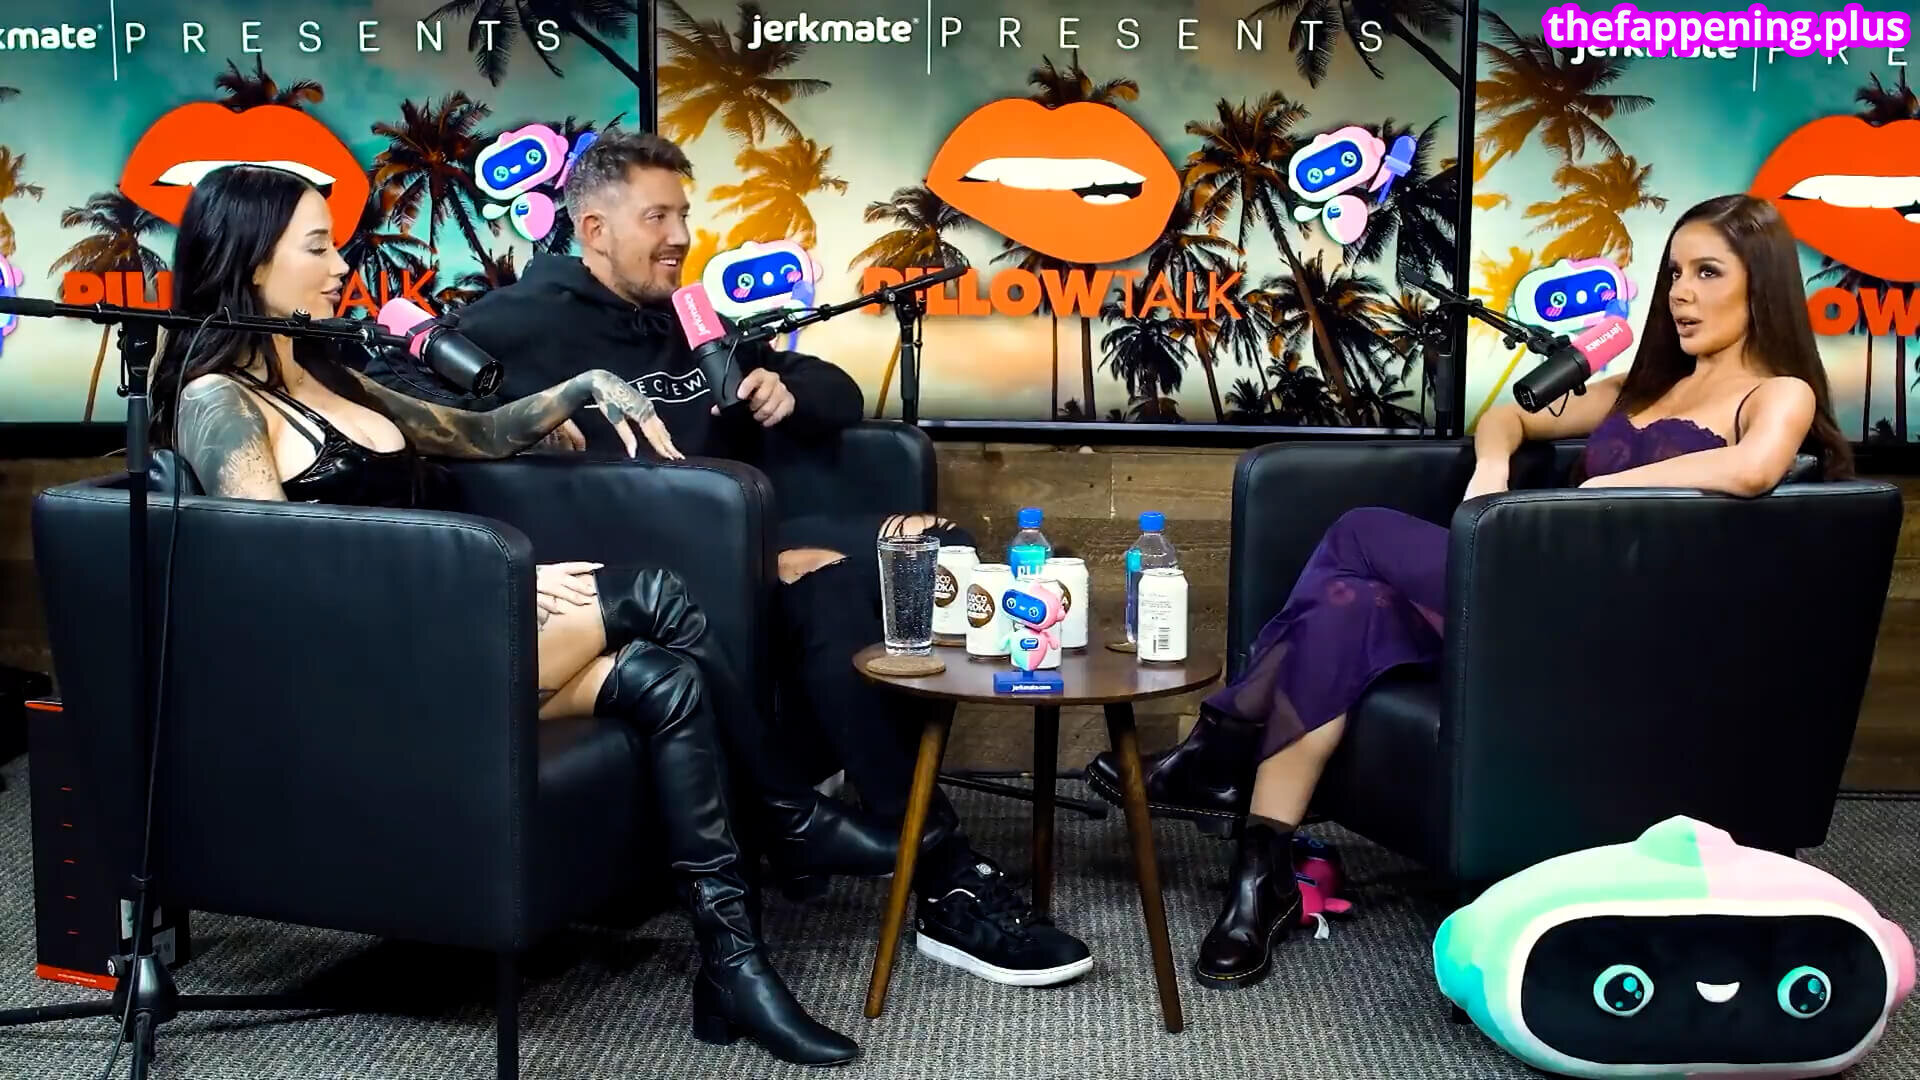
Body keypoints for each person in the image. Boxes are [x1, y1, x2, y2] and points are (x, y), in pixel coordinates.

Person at [150, 163, 900, 1066]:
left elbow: (479, 432)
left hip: (441, 641)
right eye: (318, 247)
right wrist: (492, 585)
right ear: (250, 262)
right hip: (372, 671)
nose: (342, 264)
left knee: (662, 679)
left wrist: (582, 387)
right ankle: (787, 812)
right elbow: (281, 579)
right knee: (659, 595)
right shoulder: (217, 402)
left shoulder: (331, 376)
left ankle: (733, 970)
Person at [366, 130, 1095, 987]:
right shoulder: (515, 323)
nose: (680, 236)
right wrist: (525, 417)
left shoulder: (683, 318)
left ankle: (832, 810)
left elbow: (835, 390)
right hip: (646, 572)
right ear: (594, 228)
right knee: (828, 592)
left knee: (931, 554)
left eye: (683, 214)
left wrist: (787, 389)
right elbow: (398, 385)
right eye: (658, 217)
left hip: (740, 537)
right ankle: (943, 876)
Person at [1086, 193, 1854, 989]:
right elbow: (1509, 417)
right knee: (1344, 613)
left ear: (1759, 283)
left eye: (1707, 273)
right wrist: (1492, 467)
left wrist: (1605, 491)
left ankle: (1222, 747)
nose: (1682, 294)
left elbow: (1755, 467)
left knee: (1360, 531)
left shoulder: (1777, 392)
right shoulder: (1636, 388)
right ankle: (1261, 874)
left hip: (1604, 629)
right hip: (1529, 604)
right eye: (1673, 274)